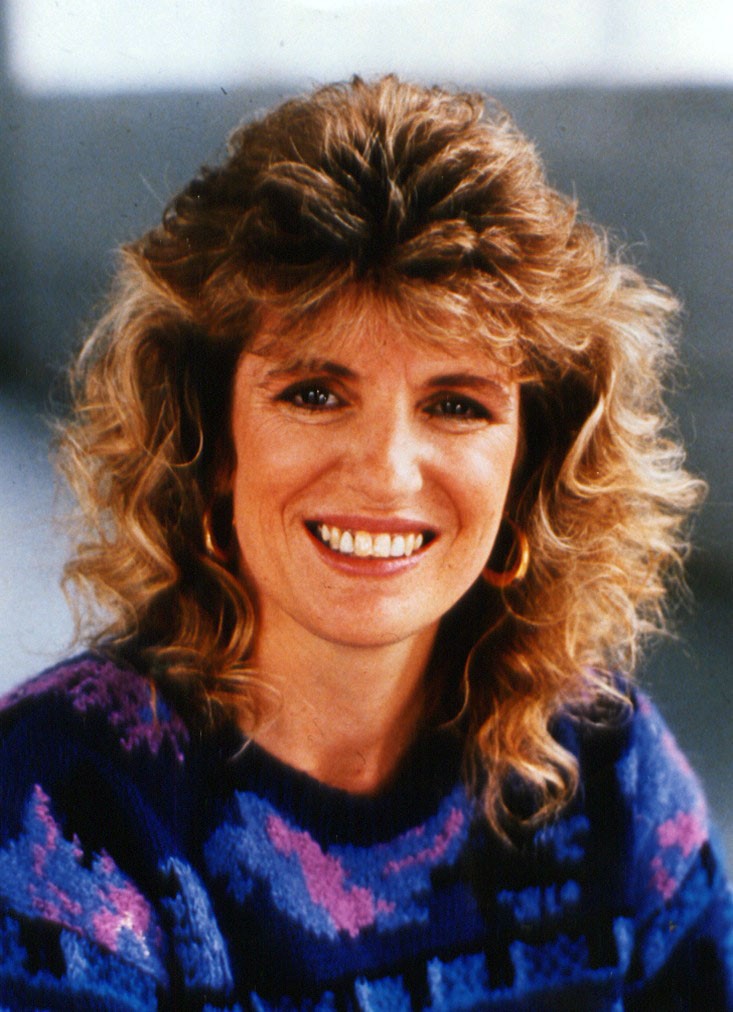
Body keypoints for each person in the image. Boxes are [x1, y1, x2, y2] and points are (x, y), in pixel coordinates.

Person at [0, 75, 730, 1011]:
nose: (386, 472)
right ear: (208, 440)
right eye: (314, 393)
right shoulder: (60, 807)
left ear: (531, 466)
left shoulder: (607, 768)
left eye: (455, 404)